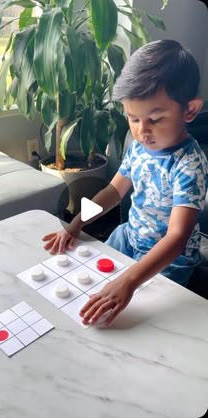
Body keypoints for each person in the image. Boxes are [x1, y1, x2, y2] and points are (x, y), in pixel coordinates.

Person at [42, 40, 208, 326]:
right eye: (133, 118)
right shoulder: (139, 148)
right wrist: (77, 223)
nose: (142, 131)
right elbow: (113, 191)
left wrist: (130, 280)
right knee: (90, 287)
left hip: (170, 258)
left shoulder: (189, 164)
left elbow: (176, 237)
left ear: (190, 110)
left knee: (134, 318)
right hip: (129, 237)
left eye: (155, 119)